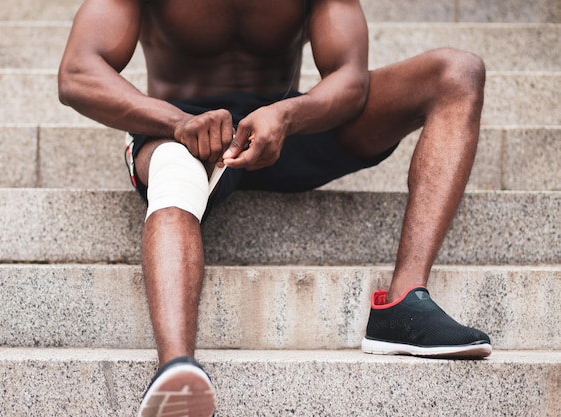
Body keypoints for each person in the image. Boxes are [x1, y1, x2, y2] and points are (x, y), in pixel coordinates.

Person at [58, 0, 492, 415]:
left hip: (289, 126)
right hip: (183, 128)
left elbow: (350, 79)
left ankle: (403, 304)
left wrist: (287, 115)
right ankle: (177, 371)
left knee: (457, 72)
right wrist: (175, 122)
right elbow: (78, 72)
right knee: (175, 172)